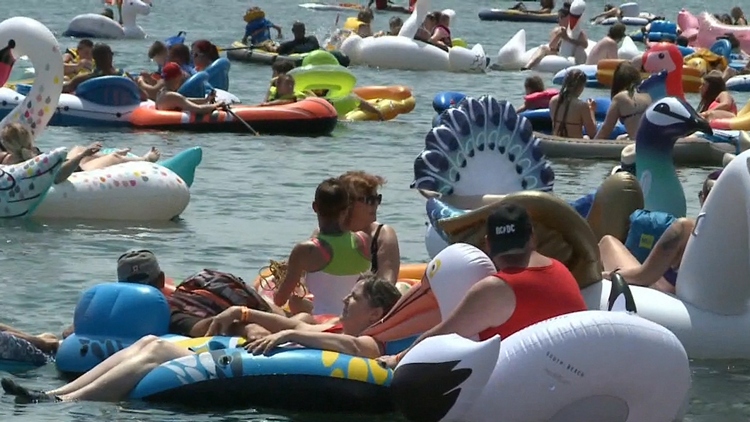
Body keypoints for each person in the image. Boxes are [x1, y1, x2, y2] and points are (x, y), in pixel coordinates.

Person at [0, 274, 400, 404]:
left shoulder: (369, 342)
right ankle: (60, 395)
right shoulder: (329, 324)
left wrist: (294, 332)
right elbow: (292, 322)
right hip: (241, 354)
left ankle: (62, 401)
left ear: (376, 313)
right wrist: (243, 313)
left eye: (355, 298)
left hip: (254, 366)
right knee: (146, 344)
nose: (346, 301)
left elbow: (350, 350)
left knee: (154, 349)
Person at [377, 204, 587, 368]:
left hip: (524, 394)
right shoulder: (561, 271)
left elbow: (443, 334)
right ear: (531, 237)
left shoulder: (497, 289)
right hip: (570, 380)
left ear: (488, 243)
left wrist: (398, 359)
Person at [600, 170, 721, 294]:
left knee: (607, 242)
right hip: (711, 307)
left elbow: (642, 277)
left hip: (663, 301)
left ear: (703, 198)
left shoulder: (685, 230)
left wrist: (605, 276)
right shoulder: (739, 242)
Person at [271, 178, 372, 317]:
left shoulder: (305, 250)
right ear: (346, 209)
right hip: (356, 319)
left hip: (322, 321)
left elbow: (279, 300)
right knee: (296, 302)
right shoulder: (364, 240)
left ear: (315, 207)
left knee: (285, 302)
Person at [0, 123, 159, 180]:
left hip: (67, 165)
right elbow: (57, 175)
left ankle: (93, 155)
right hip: (76, 172)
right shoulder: (34, 160)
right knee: (114, 156)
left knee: (77, 148)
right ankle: (146, 159)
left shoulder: (8, 158)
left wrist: (82, 153)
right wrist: (83, 156)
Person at [328, 171, 401, 283]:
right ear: (348, 202)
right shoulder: (327, 232)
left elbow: (388, 284)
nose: (376, 204)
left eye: (378, 199)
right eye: (370, 200)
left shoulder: (382, 235)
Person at [62, 43, 147, 101]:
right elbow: (144, 96)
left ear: (93, 58)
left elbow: (65, 88)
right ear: (111, 56)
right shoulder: (124, 77)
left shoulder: (85, 78)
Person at [594, 62, 651, 139]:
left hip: (639, 144)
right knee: (620, 138)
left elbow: (605, 130)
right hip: (658, 142)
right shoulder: (649, 92)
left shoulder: (620, 98)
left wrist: (589, 147)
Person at [523, 4, 588, 70]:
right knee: (542, 48)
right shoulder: (557, 31)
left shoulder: (577, 32)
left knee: (580, 49)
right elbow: (552, 46)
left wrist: (567, 38)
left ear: (568, 18)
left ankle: (581, 69)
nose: (559, 20)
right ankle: (527, 66)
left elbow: (585, 44)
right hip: (559, 53)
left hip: (573, 55)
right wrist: (559, 36)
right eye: (558, 17)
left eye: (561, 17)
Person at [154, 62, 225, 113]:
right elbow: (199, 109)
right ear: (176, 77)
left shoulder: (161, 93)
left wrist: (206, 100)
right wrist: (218, 104)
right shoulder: (172, 96)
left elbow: (184, 100)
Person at [548, 69, 597, 138]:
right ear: (581, 86)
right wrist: (591, 111)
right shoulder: (582, 106)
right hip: (574, 145)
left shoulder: (553, 101)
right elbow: (593, 134)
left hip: (557, 142)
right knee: (586, 137)